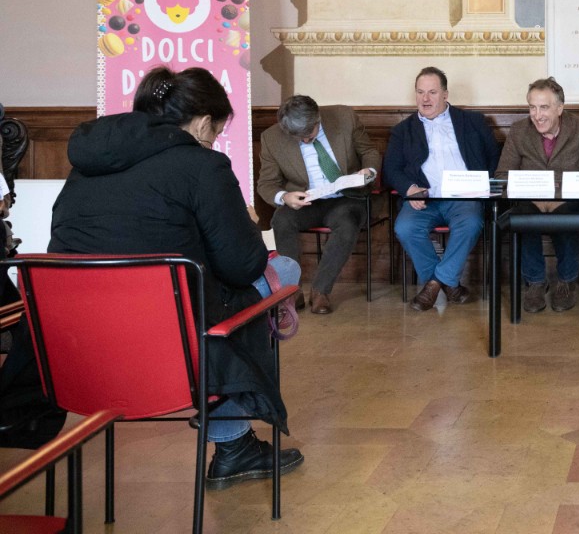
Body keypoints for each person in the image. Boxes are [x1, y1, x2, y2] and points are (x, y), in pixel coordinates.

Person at [47, 66, 303, 489]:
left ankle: (235, 440)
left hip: (75, 357)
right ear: (203, 123)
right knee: (284, 271)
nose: (214, 141)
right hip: (168, 353)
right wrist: (243, 223)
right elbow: (243, 265)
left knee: (194, 290)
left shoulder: (85, 165)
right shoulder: (203, 165)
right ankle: (233, 443)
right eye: (216, 132)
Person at [384, 66, 500, 310]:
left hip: (464, 197)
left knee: (471, 223)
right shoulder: (402, 131)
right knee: (405, 228)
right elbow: (391, 169)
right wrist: (410, 189)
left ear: (445, 94)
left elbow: (494, 157)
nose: (425, 99)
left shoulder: (472, 122)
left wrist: (480, 186)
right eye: (420, 92)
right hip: (423, 199)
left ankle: (434, 284)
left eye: (432, 92)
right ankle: (448, 284)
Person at [257, 95, 380, 315]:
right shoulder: (271, 138)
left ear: (317, 119)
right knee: (281, 220)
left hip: (346, 197)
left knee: (347, 223)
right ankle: (291, 291)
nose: (305, 141)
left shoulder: (344, 117)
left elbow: (369, 152)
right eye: (298, 137)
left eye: (309, 135)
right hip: (306, 201)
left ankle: (321, 290)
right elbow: (266, 184)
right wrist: (284, 197)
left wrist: (369, 171)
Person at [496, 77, 579, 313]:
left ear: (560, 108)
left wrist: (558, 191)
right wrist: (532, 191)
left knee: (566, 217)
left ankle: (566, 282)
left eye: (544, 107)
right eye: (532, 107)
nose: (537, 115)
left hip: (570, 200)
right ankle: (535, 282)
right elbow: (502, 175)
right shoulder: (519, 130)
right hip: (530, 200)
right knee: (523, 218)